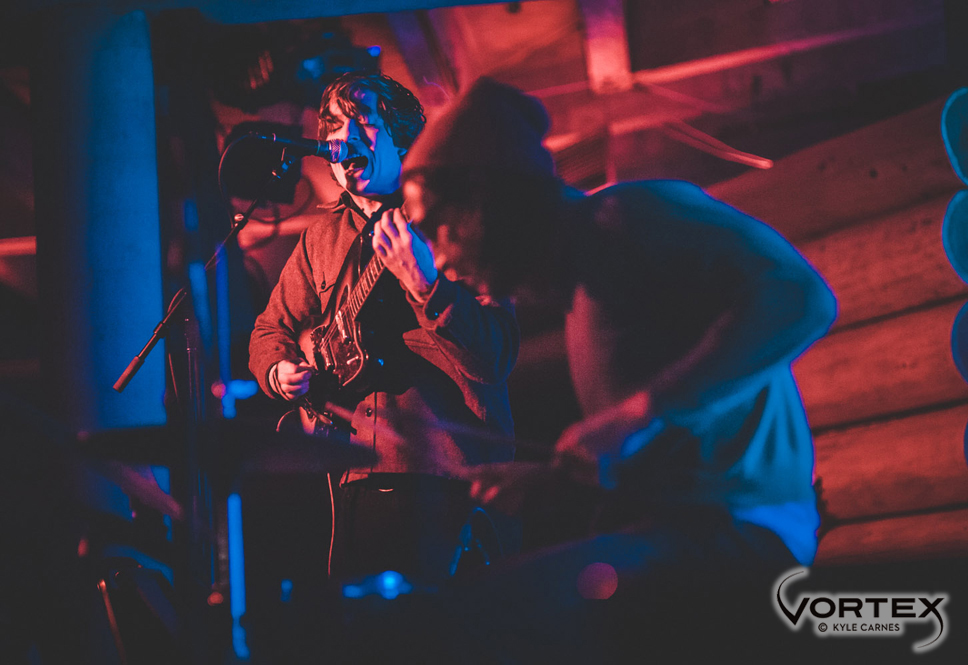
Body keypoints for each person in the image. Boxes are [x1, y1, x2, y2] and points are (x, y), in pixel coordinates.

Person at [396, 77, 838, 661]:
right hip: (680, 531)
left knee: (466, 624)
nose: (442, 262)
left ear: (484, 201)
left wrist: (636, 415)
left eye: (437, 231)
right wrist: (553, 480)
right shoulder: (584, 283)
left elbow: (802, 298)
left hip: (743, 532)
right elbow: (664, 448)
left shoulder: (628, 217)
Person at [247, 72, 519, 592]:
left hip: (447, 476)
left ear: (404, 138)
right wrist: (279, 371)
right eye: (333, 128)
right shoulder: (321, 238)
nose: (343, 139)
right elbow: (268, 330)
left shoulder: (454, 219)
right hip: (349, 478)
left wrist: (425, 284)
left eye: (363, 124)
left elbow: (496, 357)